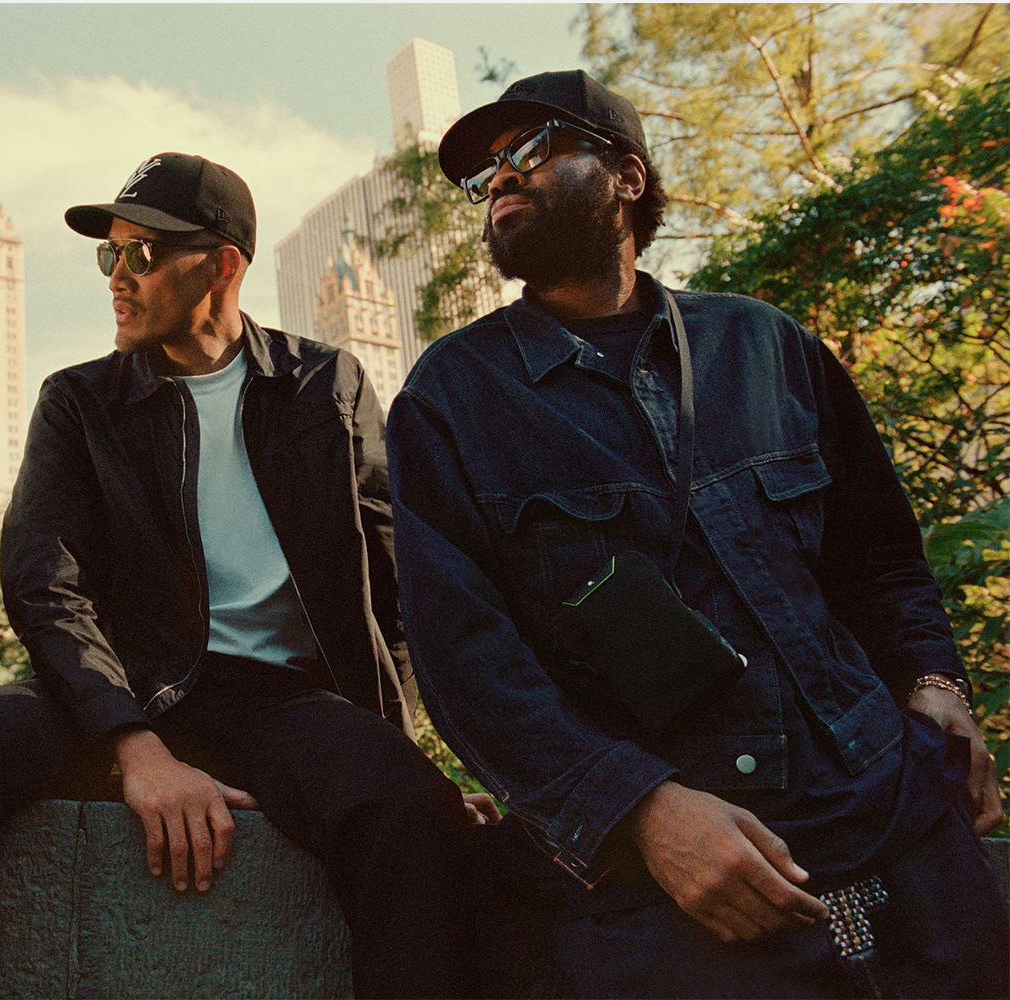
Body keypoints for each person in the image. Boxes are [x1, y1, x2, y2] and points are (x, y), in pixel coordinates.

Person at [386, 70, 1009, 998]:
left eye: (528, 151)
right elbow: (464, 661)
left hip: (898, 824)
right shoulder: (451, 398)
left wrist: (935, 686)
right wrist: (640, 813)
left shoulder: (766, 346)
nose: (499, 181)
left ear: (627, 178)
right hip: (679, 885)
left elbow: (879, 557)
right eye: (485, 175)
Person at [0, 151, 495, 999]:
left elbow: (391, 576)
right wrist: (133, 746)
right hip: (112, 684)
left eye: (142, 254)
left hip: (281, 698)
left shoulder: (325, 384)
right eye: (109, 255)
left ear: (222, 264)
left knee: (413, 817)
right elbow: (46, 586)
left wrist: (404, 760)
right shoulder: (78, 400)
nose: (118, 276)